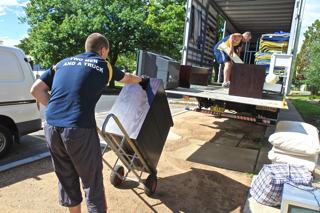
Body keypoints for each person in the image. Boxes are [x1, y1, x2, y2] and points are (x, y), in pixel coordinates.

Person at [30, 33, 148, 213]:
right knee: (91, 181)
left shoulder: (61, 63)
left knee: (66, 177)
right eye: (106, 53)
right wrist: (142, 79)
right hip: (79, 129)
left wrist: (57, 107)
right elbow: (127, 79)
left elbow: (36, 90)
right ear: (102, 50)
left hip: (51, 126)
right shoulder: (103, 65)